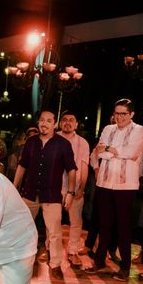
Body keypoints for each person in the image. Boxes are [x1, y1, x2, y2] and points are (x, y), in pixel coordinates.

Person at [86, 99, 143, 281]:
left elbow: (132, 152)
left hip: (125, 185)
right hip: (104, 182)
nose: (119, 117)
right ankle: (99, 260)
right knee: (104, 224)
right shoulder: (107, 129)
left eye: (123, 114)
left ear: (131, 114)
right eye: (117, 113)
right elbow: (98, 152)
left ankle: (125, 266)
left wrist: (110, 149)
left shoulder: (138, 130)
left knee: (123, 226)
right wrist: (114, 152)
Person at [13, 110, 77, 280]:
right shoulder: (31, 142)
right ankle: (18, 259)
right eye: (42, 120)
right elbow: (22, 166)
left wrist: (70, 192)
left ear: (55, 124)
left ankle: (55, 264)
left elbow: (71, 169)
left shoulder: (63, 144)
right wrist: (13, 188)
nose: (44, 123)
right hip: (29, 193)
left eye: (49, 120)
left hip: (52, 195)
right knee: (21, 229)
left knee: (55, 232)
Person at [57, 110, 90, 267]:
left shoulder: (82, 143)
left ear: (76, 124)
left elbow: (84, 165)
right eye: (64, 120)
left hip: (75, 186)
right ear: (60, 123)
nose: (68, 122)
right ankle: (52, 250)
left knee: (75, 222)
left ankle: (72, 251)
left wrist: (82, 187)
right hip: (54, 186)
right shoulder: (53, 138)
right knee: (53, 221)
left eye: (71, 120)